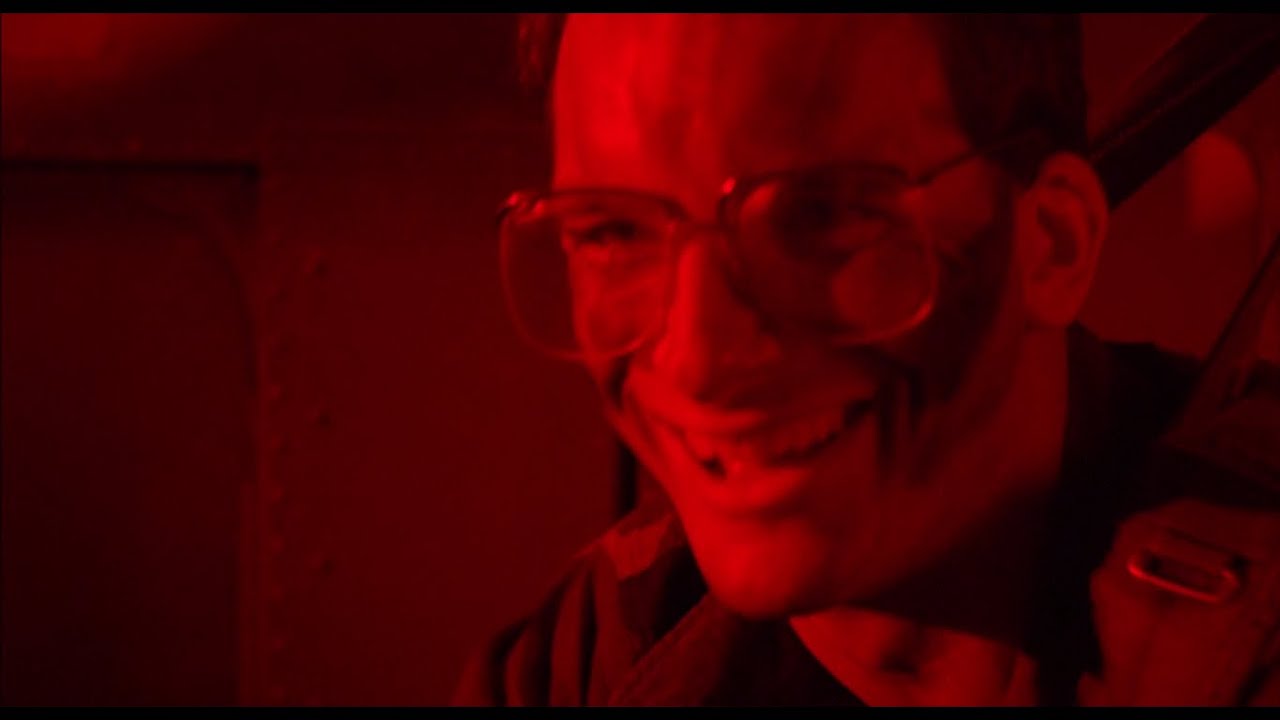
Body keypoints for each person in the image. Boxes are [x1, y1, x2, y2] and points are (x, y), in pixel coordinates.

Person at [453, 13, 1280, 706]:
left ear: (1053, 244)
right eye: (612, 232)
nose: (700, 358)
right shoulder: (591, 654)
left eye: (821, 216)